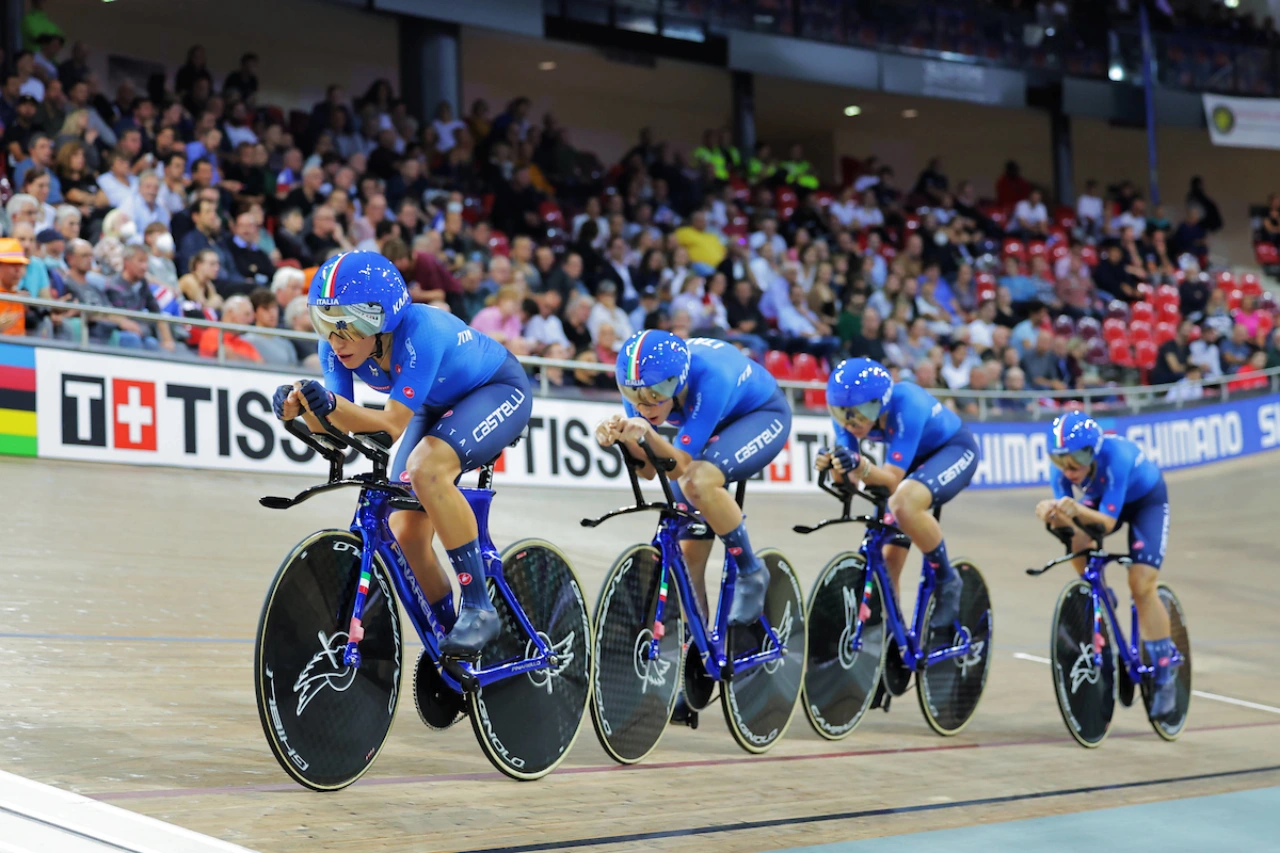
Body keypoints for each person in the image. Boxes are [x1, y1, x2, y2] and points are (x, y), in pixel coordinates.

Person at [272, 252, 532, 657]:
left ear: (383, 319)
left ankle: (480, 607)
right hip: (430, 405)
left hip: (495, 390)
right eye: (325, 322)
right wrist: (302, 411)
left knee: (427, 470)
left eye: (347, 323)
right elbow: (338, 428)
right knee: (406, 532)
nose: (336, 338)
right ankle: (450, 640)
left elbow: (389, 425)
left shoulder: (419, 332)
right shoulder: (336, 350)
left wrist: (325, 406)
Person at [594, 331, 788, 631]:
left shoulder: (712, 376)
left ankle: (751, 570)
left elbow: (679, 466)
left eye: (655, 396)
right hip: (709, 427)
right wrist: (620, 438)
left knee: (698, 481)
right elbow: (648, 470)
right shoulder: (641, 382)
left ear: (679, 381)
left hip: (758, 416)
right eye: (636, 397)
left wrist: (643, 433)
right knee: (688, 555)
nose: (644, 407)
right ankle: (695, 651)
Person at [819, 358, 981, 633]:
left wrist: (858, 465)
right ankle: (892, 638)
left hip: (950, 450)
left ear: (880, 403)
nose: (850, 421)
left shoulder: (908, 403)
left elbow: (891, 481)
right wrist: (834, 466)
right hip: (909, 461)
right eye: (841, 411)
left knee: (904, 504)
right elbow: (852, 478)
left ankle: (946, 580)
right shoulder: (846, 419)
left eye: (860, 412)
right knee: (887, 555)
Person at [1035, 411, 1178, 718]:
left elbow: (1108, 521)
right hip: (1103, 504)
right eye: (1060, 461)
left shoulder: (1117, 458)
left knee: (1141, 585)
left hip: (1145, 503)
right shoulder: (1061, 469)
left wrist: (1072, 511)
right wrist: (1050, 512)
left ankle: (1165, 676)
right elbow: (1070, 520)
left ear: (1093, 451)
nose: (1068, 470)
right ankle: (1100, 592)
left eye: (1075, 460)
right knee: (1076, 539)